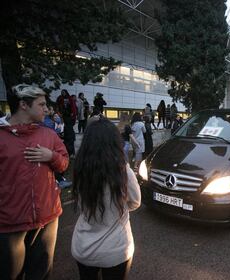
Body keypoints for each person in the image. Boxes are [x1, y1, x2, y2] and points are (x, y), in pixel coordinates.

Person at [0, 84, 69, 279]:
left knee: (41, 274)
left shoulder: (48, 134)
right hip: (10, 224)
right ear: (23, 105)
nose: (47, 109)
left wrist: (51, 156)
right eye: (42, 104)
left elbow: (64, 165)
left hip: (48, 218)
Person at [71, 118, 141, 280]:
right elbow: (135, 202)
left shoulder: (80, 169)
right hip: (116, 250)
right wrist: (117, 205)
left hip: (83, 247)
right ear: (114, 141)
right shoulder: (123, 171)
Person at [57, 89, 77, 157]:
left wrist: (72, 114)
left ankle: (70, 152)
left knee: (69, 134)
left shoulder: (69, 98)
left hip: (68, 116)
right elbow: (58, 105)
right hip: (63, 115)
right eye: (62, 92)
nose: (63, 93)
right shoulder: (60, 98)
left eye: (64, 92)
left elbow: (73, 107)